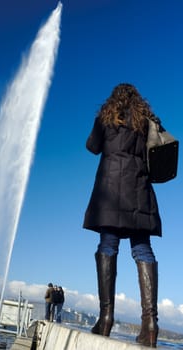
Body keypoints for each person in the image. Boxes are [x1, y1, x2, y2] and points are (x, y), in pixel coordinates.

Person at [83, 83, 162, 348]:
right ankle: (150, 325)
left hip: (110, 192)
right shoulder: (147, 121)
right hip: (139, 191)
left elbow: (92, 147)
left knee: (108, 245)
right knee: (143, 249)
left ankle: (105, 319)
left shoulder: (105, 118)